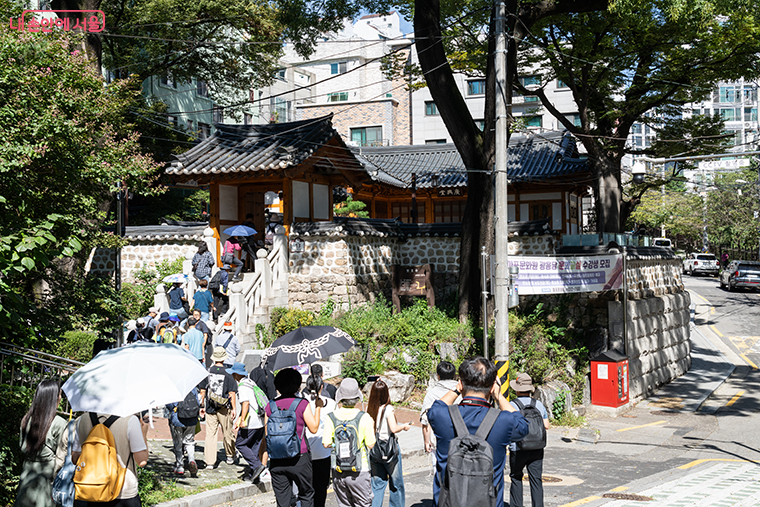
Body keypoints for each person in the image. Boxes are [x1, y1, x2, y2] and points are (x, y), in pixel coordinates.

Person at [427, 356, 529, 507]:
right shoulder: (503, 421)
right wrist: (499, 397)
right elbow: (523, 426)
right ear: (493, 386)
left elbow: (435, 408)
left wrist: (456, 389)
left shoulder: (442, 416)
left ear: (461, 384)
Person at [265, 368, 322, 507]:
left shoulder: (270, 406)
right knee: (306, 495)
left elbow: (267, 434)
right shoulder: (302, 404)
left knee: (282, 501)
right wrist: (318, 407)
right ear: (297, 385)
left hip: (277, 459)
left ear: (277, 386)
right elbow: (314, 428)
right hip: (299, 457)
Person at [71, 411, 150, 507]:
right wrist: (143, 433)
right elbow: (141, 461)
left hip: (90, 489)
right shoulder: (130, 420)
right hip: (123, 491)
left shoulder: (82, 419)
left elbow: (75, 458)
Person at [322, 378, 376, 507]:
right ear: (357, 397)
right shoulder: (364, 417)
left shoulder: (331, 417)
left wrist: (336, 445)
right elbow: (370, 444)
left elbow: (326, 443)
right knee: (363, 504)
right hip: (360, 469)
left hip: (338, 468)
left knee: (344, 504)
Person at [16, 379, 69, 507]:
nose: (60, 398)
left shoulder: (26, 419)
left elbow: (22, 446)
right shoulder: (59, 423)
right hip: (47, 481)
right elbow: (63, 457)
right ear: (53, 398)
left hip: (27, 476)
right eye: (59, 395)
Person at [367, 379, 411, 507]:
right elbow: (393, 428)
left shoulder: (371, 408)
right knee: (396, 483)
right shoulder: (388, 409)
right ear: (386, 393)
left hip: (375, 449)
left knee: (377, 484)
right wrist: (404, 426)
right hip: (389, 450)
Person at [509, 373, 549, 507]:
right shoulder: (538, 404)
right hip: (537, 447)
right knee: (536, 480)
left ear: (517, 390)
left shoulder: (512, 405)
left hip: (518, 448)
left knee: (516, 477)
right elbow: (546, 425)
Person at [200, 347, 238, 468]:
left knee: (210, 434)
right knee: (227, 432)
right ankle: (230, 455)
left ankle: (210, 462)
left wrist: (202, 405)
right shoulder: (228, 373)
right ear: (224, 358)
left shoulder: (207, 371)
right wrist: (234, 408)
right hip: (224, 408)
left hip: (210, 407)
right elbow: (232, 393)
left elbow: (202, 391)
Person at [229, 363, 266, 482]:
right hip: (260, 420)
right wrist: (238, 419)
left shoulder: (242, 386)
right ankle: (253, 476)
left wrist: (242, 420)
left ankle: (257, 466)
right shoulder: (251, 382)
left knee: (240, 444)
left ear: (236, 374)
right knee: (254, 447)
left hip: (251, 422)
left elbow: (246, 404)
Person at [304, 374, 337, 507]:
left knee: (306, 488)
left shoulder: (302, 403)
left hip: (306, 451)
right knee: (321, 487)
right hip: (324, 451)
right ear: (322, 387)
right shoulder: (331, 404)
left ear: (307, 387)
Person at [421, 361, 459, 456]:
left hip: (438, 441)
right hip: (460, 439)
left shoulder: (432, 394)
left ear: (438, 376)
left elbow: (426, 421)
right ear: (454, 375)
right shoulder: (462, 392)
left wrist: (426, 441)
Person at [165, 385, 201, 477]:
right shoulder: (192, 387)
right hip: (192, 419)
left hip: (177, 419)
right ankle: (191, 460)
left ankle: (180, 466)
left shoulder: (173, 388)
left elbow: (169, 405)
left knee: (178, 443)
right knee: (190, 442)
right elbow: (197, 402)